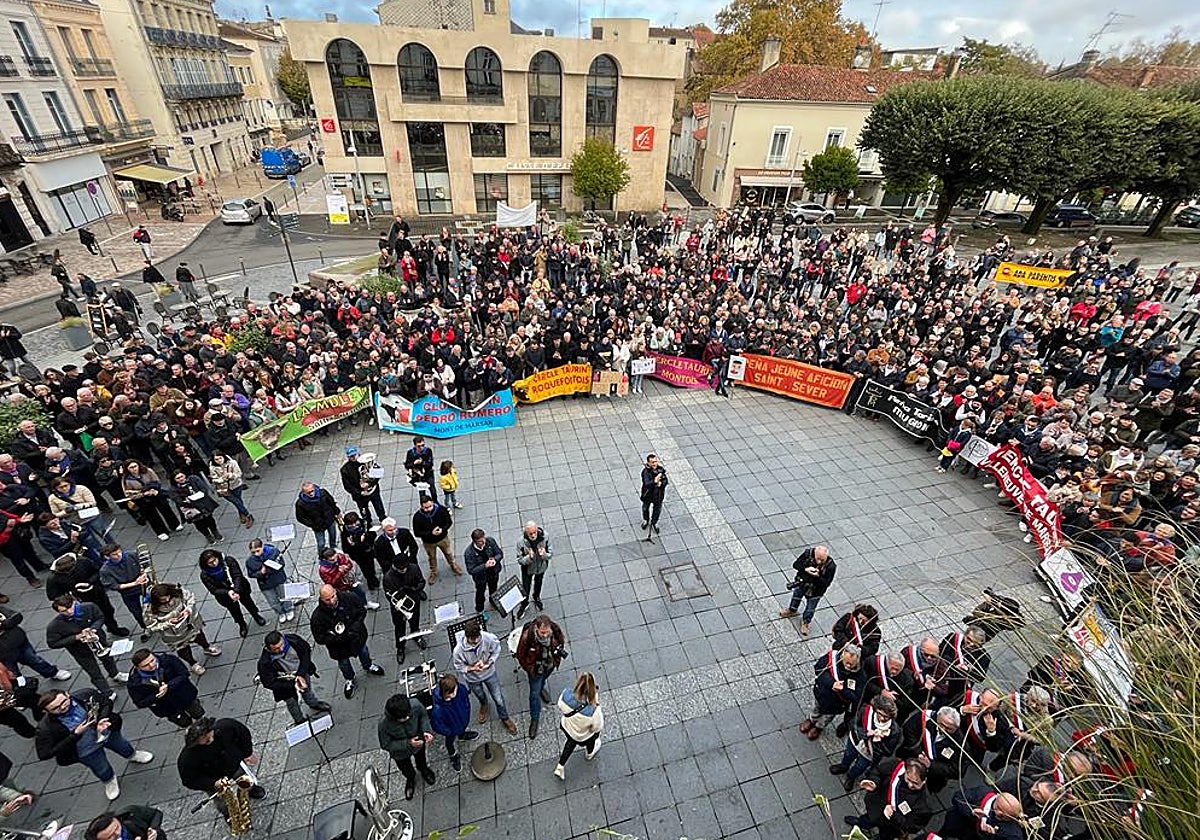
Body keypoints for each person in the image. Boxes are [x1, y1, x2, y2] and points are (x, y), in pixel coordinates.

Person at [36, 688, 154, 801]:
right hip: (85, 749)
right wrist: (75, 735)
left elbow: (106, 702)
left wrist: (102, 719)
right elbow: (45, 753)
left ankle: (132, 755)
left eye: (64, 701)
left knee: (122, 745)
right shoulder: (45, 728)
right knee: (101, 768)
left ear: (67, 694)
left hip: (107, 733)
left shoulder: (85, 695)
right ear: (46, 711)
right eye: (55, 708)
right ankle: (109, 781)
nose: (62, 707)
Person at [177, 717, 265, 819]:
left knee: (244, 779)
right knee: (222, 801)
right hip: (214, 778)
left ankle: (251, 790)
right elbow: (189, 780)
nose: (211, 740)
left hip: (233, 765)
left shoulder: (225, 726)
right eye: (206, 741)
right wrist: (212, 783)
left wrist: (247, 753)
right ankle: (229, 814)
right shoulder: (187, 758)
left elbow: (242, 733)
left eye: (210, 736)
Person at [309, 584, 384, 699]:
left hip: (356, 637)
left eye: (333, 596)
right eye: (327, 599)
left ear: (335, 591)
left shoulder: (349, 598)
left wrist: (354, 628)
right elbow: (319, 638)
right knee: (344, 664)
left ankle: (368, 666)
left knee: (364, 652)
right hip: (338, 646)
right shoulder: (317, 617)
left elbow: (361, 611)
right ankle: (349, 679)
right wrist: (337, 638)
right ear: (322, 599)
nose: (332, 601)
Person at [46, 594, 128, 697]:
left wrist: (93, 629)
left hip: (98, 641)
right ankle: (107, 692)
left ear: (74, 603)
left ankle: (115, 674)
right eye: (64, 611)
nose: (69, 612)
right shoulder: (54, 626)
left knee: (108, 659)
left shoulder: (89, 607)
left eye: (70, 607)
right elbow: (53, 643)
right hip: (80, 650)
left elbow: (100, 617)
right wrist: (76, 637)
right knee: (94, 672)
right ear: (58, 612)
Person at [844, 757, 935, 840]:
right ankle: (862, 823)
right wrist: (874, 782)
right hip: (877, 807)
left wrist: (893, 815)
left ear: (924, 780)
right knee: (868, 818)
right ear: (906, 771)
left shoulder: (924, 806)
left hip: (892, 826)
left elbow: (912, 827)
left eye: (915, 783)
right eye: (908, 779)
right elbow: (878, 771)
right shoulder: (895, 766)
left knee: (885, 837)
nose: (910, 785)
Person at [451, 621, 516, 734]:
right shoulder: (458, 651)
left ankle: (505, 718)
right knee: (480, 695)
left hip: (489, 673)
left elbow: (496, 650)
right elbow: (458, 666)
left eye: (478, 637)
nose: (476, 641)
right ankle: (484, 704)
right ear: (467, 637)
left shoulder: (488, 638)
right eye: (473, 639)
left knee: (498, 698)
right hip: (472, 679)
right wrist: (472, 668)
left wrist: (489, 662)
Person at [142, 583, 220, 675]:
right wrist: (168, 623)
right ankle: (193, 663)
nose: (167, 600)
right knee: (183, 649)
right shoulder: (149, 608)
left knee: (199, 637)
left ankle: (207, 647)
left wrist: (188, 610)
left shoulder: (178, 592)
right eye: (163, 600)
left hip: (190, 624)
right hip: (172, 633)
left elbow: (191, 598)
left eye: (168, 597)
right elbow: (151, 626)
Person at [257, 631, 332, 725]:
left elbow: (306, 651)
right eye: (276, 649)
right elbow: (268, 682)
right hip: (285, 685)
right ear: (268, 648)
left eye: (281, 645)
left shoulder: (293, 640)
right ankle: (299, 720)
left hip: (302, 672)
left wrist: (300, 674)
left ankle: (314, 704)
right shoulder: (264, 663)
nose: (281, 649)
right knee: (292, 703)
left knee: (307, 689)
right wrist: (292, 684)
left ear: (283, 638)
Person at [830, 694, 901, 792]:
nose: (882, 718)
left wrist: (878, 741)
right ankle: (843, 766)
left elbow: (888, 751)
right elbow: (853, 724)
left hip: (870, 752)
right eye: (880, 714)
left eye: (886, 716)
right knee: (848, 755)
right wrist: (867, 734)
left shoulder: (894, 731)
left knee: (860, 766)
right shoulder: (865, 711)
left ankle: (851, 777)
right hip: (856, 741)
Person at [515, 614, 567, 740]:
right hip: (536, 670)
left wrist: (557, 655)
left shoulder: (554, 630)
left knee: (542, 681)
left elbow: (561, 641)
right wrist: (530, 670)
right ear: (536, 629)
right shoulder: (528, 637)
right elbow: (520, 656)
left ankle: (542, 687)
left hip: (549, 665)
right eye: (542, 632)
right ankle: (535, 719)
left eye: (546, 632)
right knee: (534, 694)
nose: (545, 635)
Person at [126, 648, 204, 728]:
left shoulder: (168, 660)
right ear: (137, 667)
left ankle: (202, 723)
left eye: (152, 660)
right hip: (168, 709)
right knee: (183, 722)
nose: (151, 665)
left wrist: (169, 686)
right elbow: (140, 702)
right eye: (146, 665)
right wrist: (157, 695)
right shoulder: (134, 683)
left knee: (197, 712)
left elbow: (183, 673)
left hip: (186, 696)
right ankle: (190, 728)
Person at [377, 693, 436, 801]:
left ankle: (424, 770)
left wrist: (426, 730)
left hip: (418, 742)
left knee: (421, 759)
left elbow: (423, 716)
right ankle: (410, 779)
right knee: (405, 768)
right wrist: (408, 743)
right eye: (404, 718)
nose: (408, 717)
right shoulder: (383, 725)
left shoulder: (415, 705)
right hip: (400, 753)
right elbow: (386, 744)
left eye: (408, 714)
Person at [197, 549, 267, 638]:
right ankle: (242, 624)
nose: (214, 564)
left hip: (240, 588)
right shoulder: (205, 574)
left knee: (248, 602)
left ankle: (256, 615)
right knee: (234, 611)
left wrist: (236, 590)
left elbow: (237, 575)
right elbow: (213, 590)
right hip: (225, 596)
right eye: (210, 563)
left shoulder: (228, 561)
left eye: (214, 560)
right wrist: (228, 592)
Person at [800, 643, 863, 741]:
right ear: (842, 655)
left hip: (837, 703)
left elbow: (856, 697)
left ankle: (819, 727)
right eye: (846, 662)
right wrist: (832, 683)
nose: (848, 665)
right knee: (816, 708)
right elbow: (818, 669)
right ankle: (811, 719)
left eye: (851, 664)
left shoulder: (860, 675)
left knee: (827, 717)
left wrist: (843, 689)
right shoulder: (831, 658)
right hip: (822, 693)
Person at [553, 672, 604, 780]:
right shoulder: (594, 710)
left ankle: (560, 766)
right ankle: (589, 753)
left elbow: (560, 706)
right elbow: (597, 727)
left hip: (567, 727)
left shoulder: (565, 694)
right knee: (593, 737)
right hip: (582, 736)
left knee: (570, 743)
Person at [778, 544, 836, 636]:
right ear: (814, 553)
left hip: (816, 590)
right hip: (802, 584)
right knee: (796, 597)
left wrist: (817, 577)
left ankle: (806, 622)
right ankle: (792, 610)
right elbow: (796, 564)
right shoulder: (807, 554)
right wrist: (806, 569)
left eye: (822, 560)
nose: (819, 561)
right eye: (818, 558)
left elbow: (826, 583)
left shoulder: (831, 566)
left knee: (810, 608)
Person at [0, 609, 72, 682]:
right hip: (3, 655)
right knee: (12, 674)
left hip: (18, 642)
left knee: (35, 659)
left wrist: (3, 624)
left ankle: (52, 673)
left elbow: (17, 616)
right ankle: (21, 688)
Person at [98, 543, 151, 640]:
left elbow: (146, 564)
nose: (119, 555)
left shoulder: (132, 554)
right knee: (136, 611)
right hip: (128, 591)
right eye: (114, 554)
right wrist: (135, 583)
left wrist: (144, 574)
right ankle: (145, 627)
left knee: (154, 602)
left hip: (144, 584)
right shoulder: (105, 570)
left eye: (119, 551)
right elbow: (115, 586)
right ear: (107, 557)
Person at [120, 461, 180, 541]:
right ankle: (161, 532)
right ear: (127, 469)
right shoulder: (126, 480)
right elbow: (129, 495)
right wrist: (144, 494)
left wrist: (153, 489)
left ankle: (174, 524)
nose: (134, 469)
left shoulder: (148, 471)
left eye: (135, 466)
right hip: (143, 499)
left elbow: (157, 481)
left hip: (155, 493)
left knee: (165, 508)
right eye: (131, 467)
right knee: (151, 516)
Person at [429, 674, 478, 771]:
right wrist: (449, 732)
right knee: (449, 742)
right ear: (446, 692)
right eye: (453, 691)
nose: (457, 690)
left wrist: (467, 711)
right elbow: (437, 725)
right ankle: (453, 755)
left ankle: (462, 735)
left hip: (462, 721)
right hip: (452, 729)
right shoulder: (438, 709)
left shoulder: (460, 689)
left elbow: (465, 700)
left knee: (461, 730)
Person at [382, 553, 426, 663]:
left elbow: (421, 581)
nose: (404, 570)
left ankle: (416, 636)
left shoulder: (414, 568)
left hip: (413, 601)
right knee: (399, 628)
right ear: (395, 566)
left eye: (405, 567)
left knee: (415, 622)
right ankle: (400, 647)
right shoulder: (388, 577)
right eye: (401, 569)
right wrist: (399, 600)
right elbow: (389, 595)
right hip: (399, 607)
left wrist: (414, 589)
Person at [411, 495, 462, 584]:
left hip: (443, 538)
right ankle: (433, 572)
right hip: (429, 542)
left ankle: (453, 565)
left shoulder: (441, 510)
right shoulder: (417, 517)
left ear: (433, 503)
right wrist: (431, 533)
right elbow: (417, 533)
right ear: (421, 506)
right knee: (431, 557)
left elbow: (449, 522)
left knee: (448, 553)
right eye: (426, 508)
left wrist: (442, 529)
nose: (429, 509)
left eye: (430, 506)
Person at [245, 539, 293, 623]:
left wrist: (266, 571)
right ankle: (280, 612)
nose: (256, 554)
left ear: (262, 547)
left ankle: (289, 609)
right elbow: (251, 574)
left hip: (278, 579)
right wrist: (260, 573)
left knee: (284, 595)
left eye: (257, 551)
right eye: (253, 552)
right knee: (272, 600)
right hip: (265, 584)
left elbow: (281, 564)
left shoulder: (274, 552)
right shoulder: (250, 561)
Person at [169, 471, 222, 543]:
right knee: (199, 524)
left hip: (203, 505)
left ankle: (215, 532)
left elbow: (203, 489)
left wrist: (191, 499)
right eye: (178, 478)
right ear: (174, 480)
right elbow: (179, 501)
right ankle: (207, 535)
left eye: (182, 476)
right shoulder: (173, 489)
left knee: (210, 520)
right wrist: (192, 501)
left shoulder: (193, 479)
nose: (181, 479)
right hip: (191, 509)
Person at [340, 446, 385, 525]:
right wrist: (359, 492)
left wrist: (369, 483)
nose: (353, 457)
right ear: (348, 457)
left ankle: (383, 518)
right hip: (360, 496)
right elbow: (347, 486)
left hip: (373, 490)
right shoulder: (345, 469)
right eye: (351, 456)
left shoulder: (367, 460)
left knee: (379, 506)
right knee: (364, 510)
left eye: (355, 455)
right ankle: (368, 522)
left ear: (359, 454)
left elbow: (378, 473)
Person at [371, 517, 419, 592]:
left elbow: (414, 547)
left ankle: (417, 590)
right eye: (390, 530)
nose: (394, 531)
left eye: (394, 529)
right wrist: (394, 567)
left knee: (414, 578)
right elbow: (381, 560)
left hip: (408, 562)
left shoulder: (404, 533)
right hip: (393, 567)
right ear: (384, 530)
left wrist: (410, 560)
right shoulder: (379, 543)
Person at [516, 520, 552, 615]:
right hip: (527, 569)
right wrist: (529, 557)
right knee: (525, 587)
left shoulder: (545, 537)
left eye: (534, 532)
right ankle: (524, 604)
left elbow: (550, 554)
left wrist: (544, 555)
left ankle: (536, 597)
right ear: (526, 533)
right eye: (530, 533)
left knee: (538, 583)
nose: (533, 535)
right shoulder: (521, 542)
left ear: (537, 529)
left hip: (540, 567)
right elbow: (520, 560)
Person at [463, 528, 503, 613]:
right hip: (481, 578)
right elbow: (471, 570)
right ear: (475, 541)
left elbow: (499, 553)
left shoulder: (490, 541)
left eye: (483, 539)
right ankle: (479, 608)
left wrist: (495, 560)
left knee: (493, 589)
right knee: (480, 593)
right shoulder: (469, 553)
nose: (484, 542)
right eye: (480, 541)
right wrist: (485, 566)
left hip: (493, 572)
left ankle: (493, 602)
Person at [209, 451, 253, 528]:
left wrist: (231, 475)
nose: (219, 460)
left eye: (220, 458)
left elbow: (239, 474)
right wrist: (221, 479)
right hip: (223, 488)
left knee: (238, 500)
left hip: (236, 485)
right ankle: (248, 515)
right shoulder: (212, 467)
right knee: (236, 501)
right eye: (216, 459)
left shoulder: (232, 463)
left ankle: (241, 513)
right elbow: (214, 478)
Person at [295, 481, 340, 553]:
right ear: (304, 492)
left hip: (329, 519)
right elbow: (301, 518)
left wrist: (336, 512)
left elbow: (331, 502)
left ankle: (333, 548)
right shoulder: (301, 503)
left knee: (333, 535)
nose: (311, 493)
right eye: (308, 492)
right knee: (321, 543)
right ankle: (322, 554)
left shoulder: (323, 493)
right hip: (318, 525)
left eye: (312, 491)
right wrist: (312, 524)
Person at [84, 806, 166, 840]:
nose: (117, 833)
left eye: (116, 827)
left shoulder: (129, 813)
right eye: (110, 837)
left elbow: (156, 814)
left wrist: (154, 830)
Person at [639, 453, 668, 535]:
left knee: (657, 510)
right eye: (652, 462)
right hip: (648, 495)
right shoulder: (645, 472)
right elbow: (647, 483)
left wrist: (661, 484)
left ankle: (654, 522)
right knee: (645, 508)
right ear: (648, 463)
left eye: (655, 461)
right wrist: (654, 481)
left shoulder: (660, 470)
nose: (655, 464)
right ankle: (646, 520)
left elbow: (665, 481)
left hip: (658, 495)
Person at [404, 437, 437, 501]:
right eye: (419, 446)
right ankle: (424, 505)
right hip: (418, 476)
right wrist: (414, 463)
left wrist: (422, 462)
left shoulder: (428, 451)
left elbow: (430, 464)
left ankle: (435, 502)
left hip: (428, 474)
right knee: (422, 493)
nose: (421, 448)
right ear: (415, 446)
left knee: (433, 490)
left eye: (423, 445)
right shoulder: (411, 453)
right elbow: (407, 465)